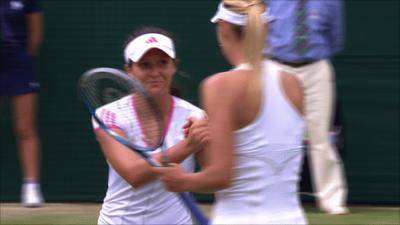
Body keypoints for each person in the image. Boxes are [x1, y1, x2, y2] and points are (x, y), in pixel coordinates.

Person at [155, 1, 308, 224]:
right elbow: (259, 158)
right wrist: (202, 142)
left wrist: (182, 181)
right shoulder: (294, 84)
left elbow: (221, 176)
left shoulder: (220, 86)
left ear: (224, 28)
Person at [92, 26, 208, 225]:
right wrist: (188, 146)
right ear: (129, 70)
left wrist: (188, 181)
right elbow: (134, 174)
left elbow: (214, 176)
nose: (155, 72)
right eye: (145, 65)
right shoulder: (107, 115)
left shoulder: (196, 116)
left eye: (163, 63)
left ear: (174, 66)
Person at [263, 0, 349, 215]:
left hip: (316, 67)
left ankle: (332, 200)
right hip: (276, 64)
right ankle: (273, 196)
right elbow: (256, 28)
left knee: (321, 137)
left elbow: (336, 37)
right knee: (273, 134)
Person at [0, 0, 44, 207]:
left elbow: (35, 33)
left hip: (18, 63)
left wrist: (23, 59)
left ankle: (31, 187)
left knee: (25, 128)